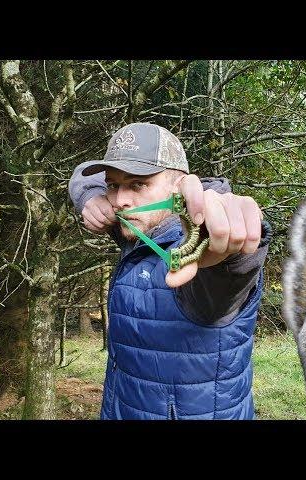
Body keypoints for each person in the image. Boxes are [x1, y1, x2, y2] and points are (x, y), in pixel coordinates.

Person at [68, 122, 269, 420]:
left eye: (138, 184)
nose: (121, 200)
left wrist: (231, 248)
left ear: (178, 187)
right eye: (113, 185)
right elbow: (83, 172)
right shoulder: (138, 230)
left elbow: (227, 271)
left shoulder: (190, 254)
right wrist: (90, 198)